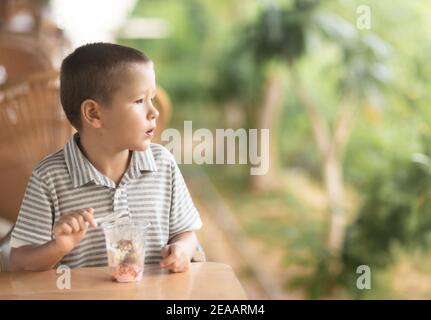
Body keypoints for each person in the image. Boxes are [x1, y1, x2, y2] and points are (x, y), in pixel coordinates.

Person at [9, 43, 203, 273]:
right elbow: (19, 262)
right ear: (94, 113)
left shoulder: (163, 164)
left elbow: (186, 233)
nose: (154, 112)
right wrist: (58, 246)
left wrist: (181, 249)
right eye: (140, 101)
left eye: (152, 98)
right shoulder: (49, 177)